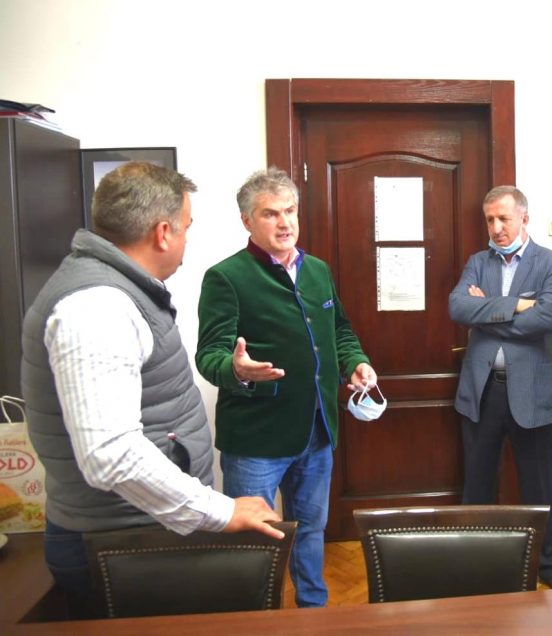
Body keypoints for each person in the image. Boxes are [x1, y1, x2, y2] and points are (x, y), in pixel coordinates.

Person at [20, 162, 282, 618]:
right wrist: (220, 512)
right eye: (187, 228)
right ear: (163, 233)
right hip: (119, 545)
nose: (186, 240)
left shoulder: (118, 289)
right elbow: (111, 455)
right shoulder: (98, 307)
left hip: (135, 535)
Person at [195, 167, 376, 608]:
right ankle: (255, 617)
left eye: (290, 211)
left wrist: (355, 362)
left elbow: (340, 331)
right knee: (255, 538)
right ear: (247, 221)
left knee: (311, 528)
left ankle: (313, 610)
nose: (284, 223)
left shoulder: (317, 270)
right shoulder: (226, 277)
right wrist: (237, 369)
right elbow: (209, 355)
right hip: (257, 439)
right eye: (270, 214)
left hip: (317, 431)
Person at [448, 185, 552, 588]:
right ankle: (475, 566)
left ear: (524, 217)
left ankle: (551, 566)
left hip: (534, 394)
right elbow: (458, 307)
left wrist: (485, 313)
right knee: (478, 485)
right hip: (482, 392)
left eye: (504, 218)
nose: (496, 227)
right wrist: (518, 304)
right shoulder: (477, 262)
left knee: (540, 487)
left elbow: (547, 318)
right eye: (490, 220)